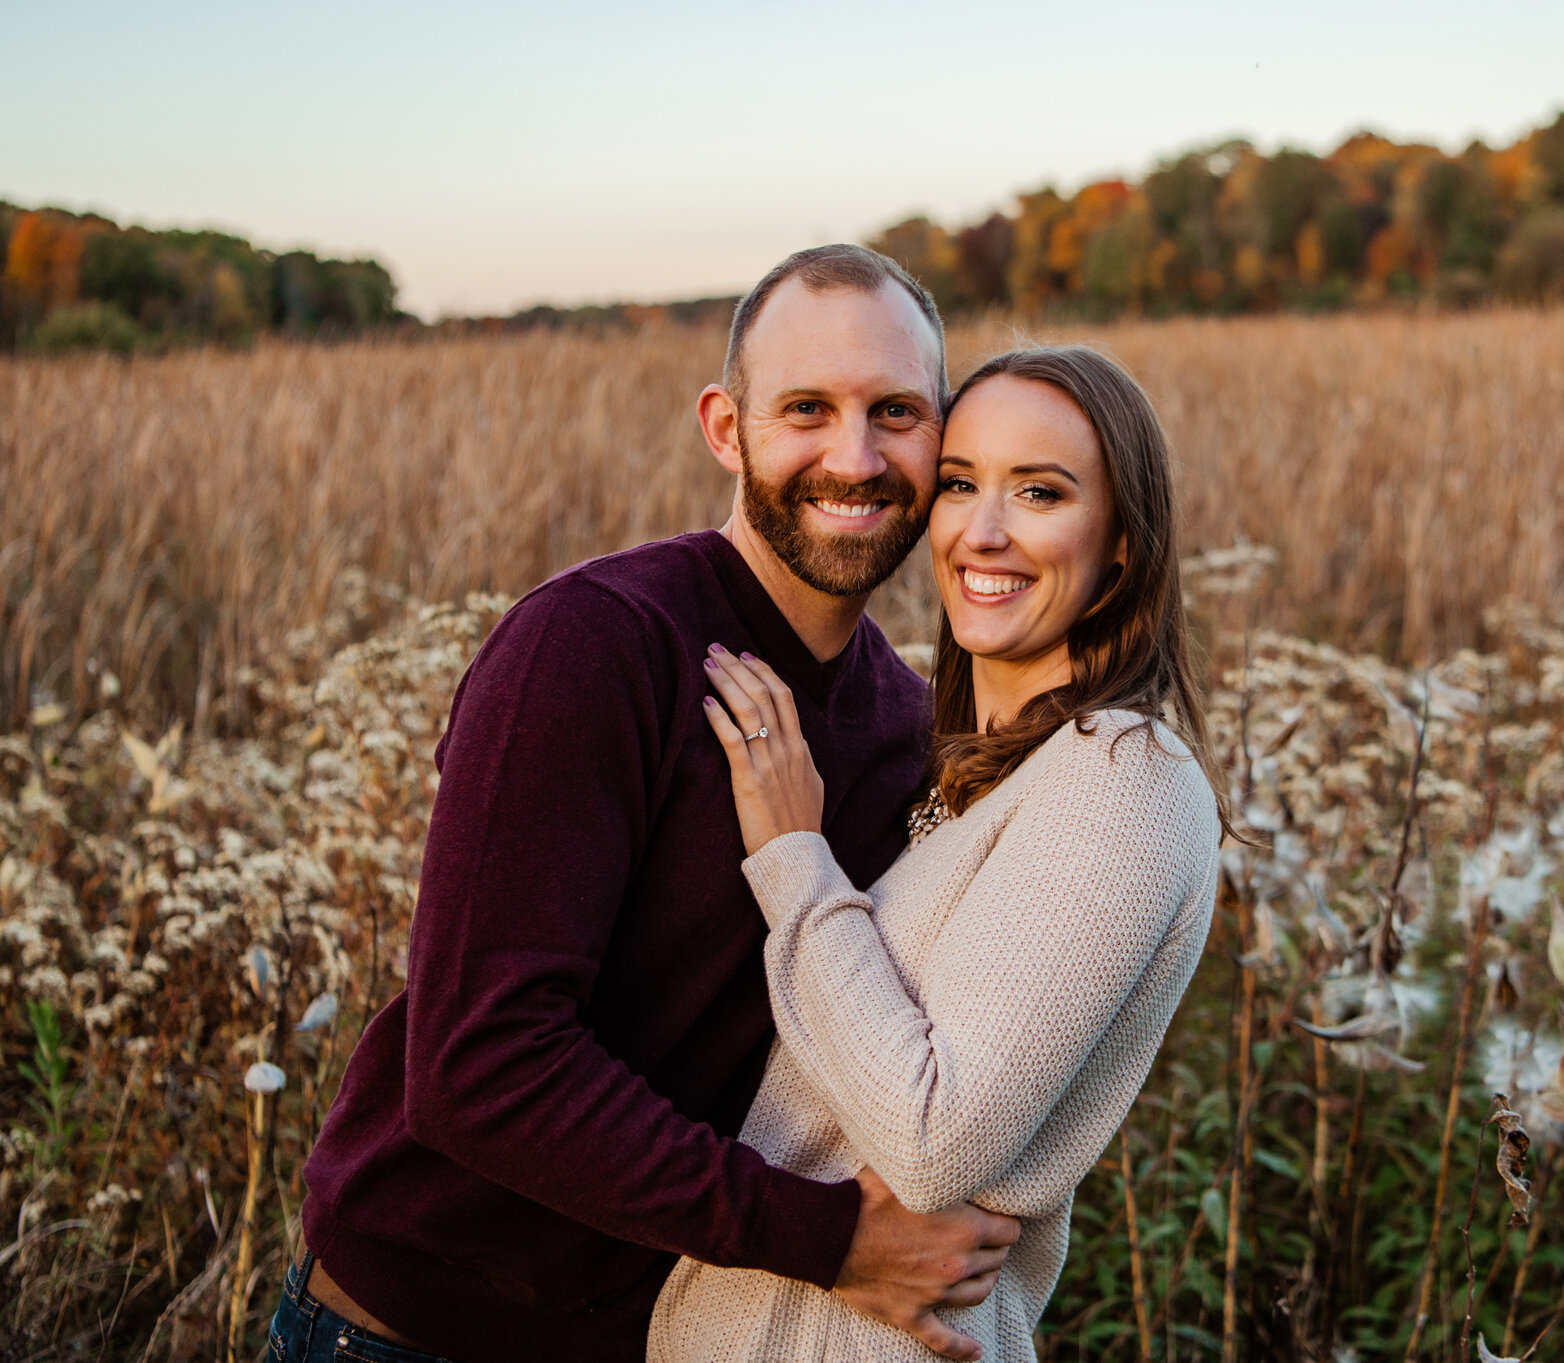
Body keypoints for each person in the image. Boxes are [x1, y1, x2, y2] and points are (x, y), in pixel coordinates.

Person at [272, 245, 1021, 1363]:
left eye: (895, 412)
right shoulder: (592, 645)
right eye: (805, 409)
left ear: (941, 440)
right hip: (412, 1332)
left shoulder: (908, 731)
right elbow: (479, 1067)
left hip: (657, 1338)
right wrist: (828, 1239)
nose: (853, 457)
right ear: (725, 428)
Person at [651, 346, 1230, 1361]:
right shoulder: (978, 776)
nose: (982, 530)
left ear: (1124, 545)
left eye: (1040, 492)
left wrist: (794, 858)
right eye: (959, 483)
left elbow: (933, 1140)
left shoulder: (1123, 777)